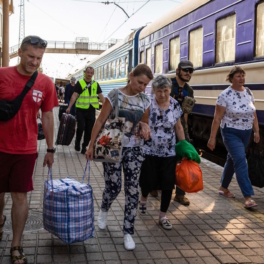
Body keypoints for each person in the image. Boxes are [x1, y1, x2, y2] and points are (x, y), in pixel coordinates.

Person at [0, 35, 58, 264]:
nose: (35, 62)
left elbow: (47, 116)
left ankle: (16, 244)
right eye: (31, 56)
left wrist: (51, 149)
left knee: (19, 196)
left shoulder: (45, 83)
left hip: (25, 150)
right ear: (20, 53)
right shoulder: (2, 75)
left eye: (39, 58)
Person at [85, 64, 153, 251]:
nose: (142, 87)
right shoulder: (114, 95)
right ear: (131, 76)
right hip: (112, 147)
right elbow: (100, 120)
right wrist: (91, 146)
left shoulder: (145, 100)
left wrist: (145, 127)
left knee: (132, 190)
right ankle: (104, 209)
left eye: (145, 84)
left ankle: (128, 231)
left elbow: (144, 121)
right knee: (114, 186)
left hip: (134, 149)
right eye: (140, 82)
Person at [207, 66, 260, 209]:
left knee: (232, 159)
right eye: (238, 76)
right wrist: (212, 138)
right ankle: (248, 196)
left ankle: (223, 187)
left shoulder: (248, 92)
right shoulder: (225, 95)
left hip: (246, 132)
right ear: (231, 78)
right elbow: (217, 118)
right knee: (241, 160)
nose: (241, 78)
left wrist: (256, 131)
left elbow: (253, 113)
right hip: (230, 132)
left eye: (243, 75)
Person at [139, 75, 185, 230]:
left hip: (169, 152)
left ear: (170, 90)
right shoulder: (147, 102)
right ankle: (143, 198)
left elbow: (178, 127)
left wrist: (183, 145)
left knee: (167, 184)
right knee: (147, 180)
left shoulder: (175, 105)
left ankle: (162, 216)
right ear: (154, 91)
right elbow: (142, 122)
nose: (163, 94)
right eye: (159, 91)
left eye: (165, 90)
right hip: (149, 150)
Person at [66, 67, 105, 154]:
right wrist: (69, 107)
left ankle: (84, 146)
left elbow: (101, 96)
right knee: (81, 127)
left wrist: (107, 108)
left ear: (93, 74)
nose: (89, 74)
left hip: (91, 110)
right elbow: (74, 95)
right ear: (85, 73)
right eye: (88, 72)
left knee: (89, 129)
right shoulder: (80, 83)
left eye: (91, 73)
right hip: (80, 110)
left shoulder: (95, 84)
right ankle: (77, 142)